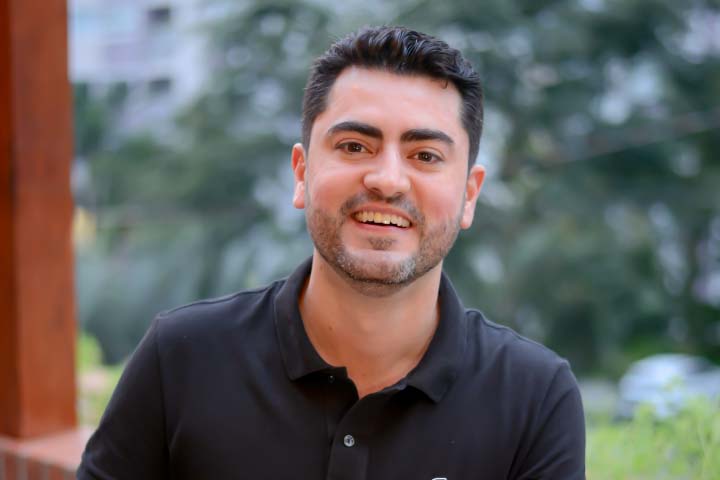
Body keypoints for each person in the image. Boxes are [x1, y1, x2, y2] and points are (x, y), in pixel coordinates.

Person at [78, 26, 585, 479]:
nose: (387, 180)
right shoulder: (182, 358)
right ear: (302, 173)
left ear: (469, 194)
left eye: (425, 155)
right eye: (354, 147)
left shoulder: (535, 398)